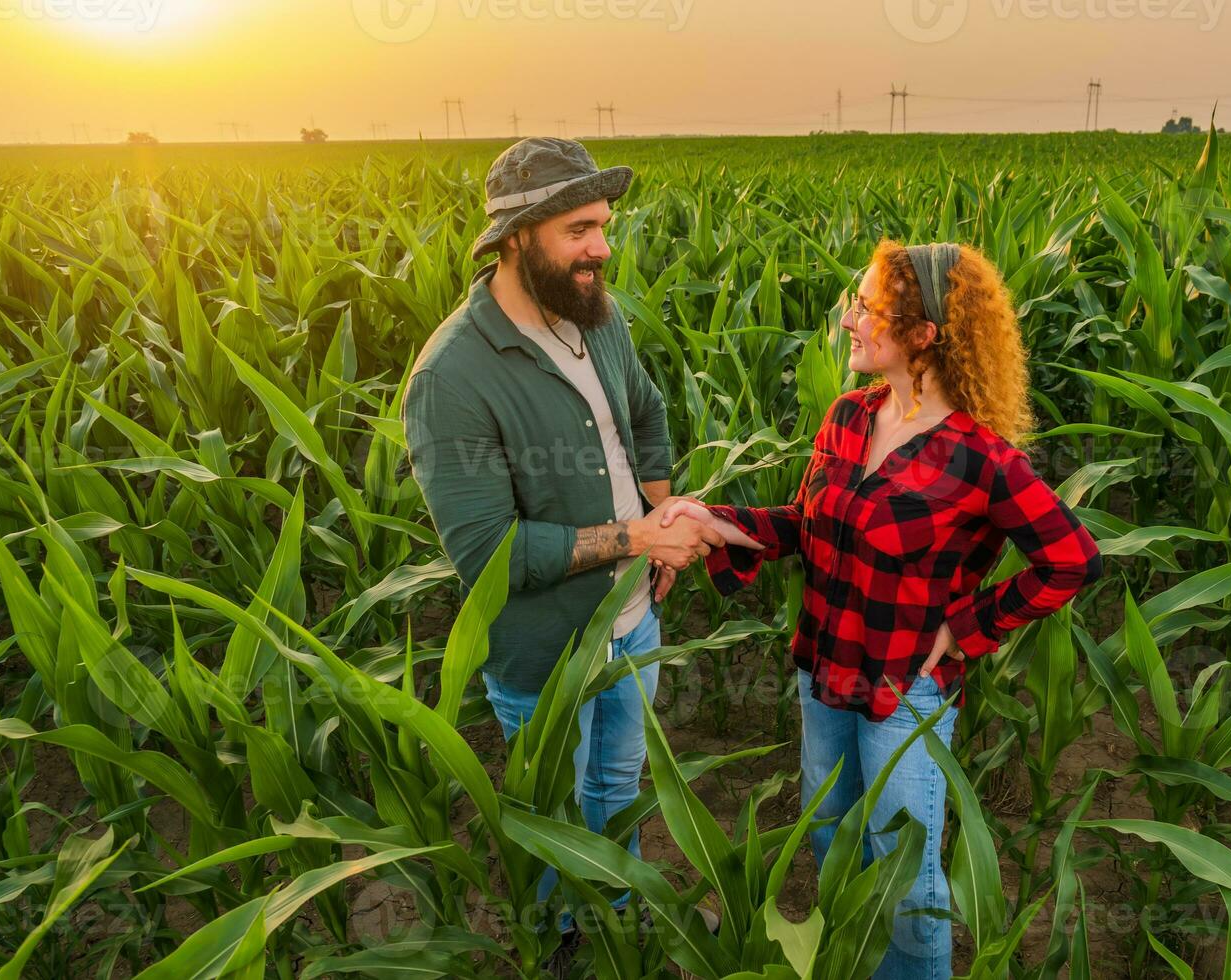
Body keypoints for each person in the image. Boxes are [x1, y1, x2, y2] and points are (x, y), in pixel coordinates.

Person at [662, 240, 1104, 980]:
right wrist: (713, 522)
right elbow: (808, 526)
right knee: (834, 844)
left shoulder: (981, 458)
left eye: (866, 308)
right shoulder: (846, 417)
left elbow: (1072, 560)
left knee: (905, 885)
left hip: (905, 693)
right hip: (824, 671)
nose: (848, 321)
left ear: (925, 334)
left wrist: (968, 628)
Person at [401, 137, 735, 958]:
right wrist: (635, 536)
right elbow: (490, 554)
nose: (602, 247)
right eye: (580, 229)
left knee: (618, 788)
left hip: (634, 621)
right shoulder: (454, 375)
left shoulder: (598, 315)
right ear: (517, 237)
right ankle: (564, 950)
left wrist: (660, 524)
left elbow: (649, 414)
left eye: (604, 226)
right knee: (550, 824)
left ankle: (615, 920)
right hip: (547, 653)